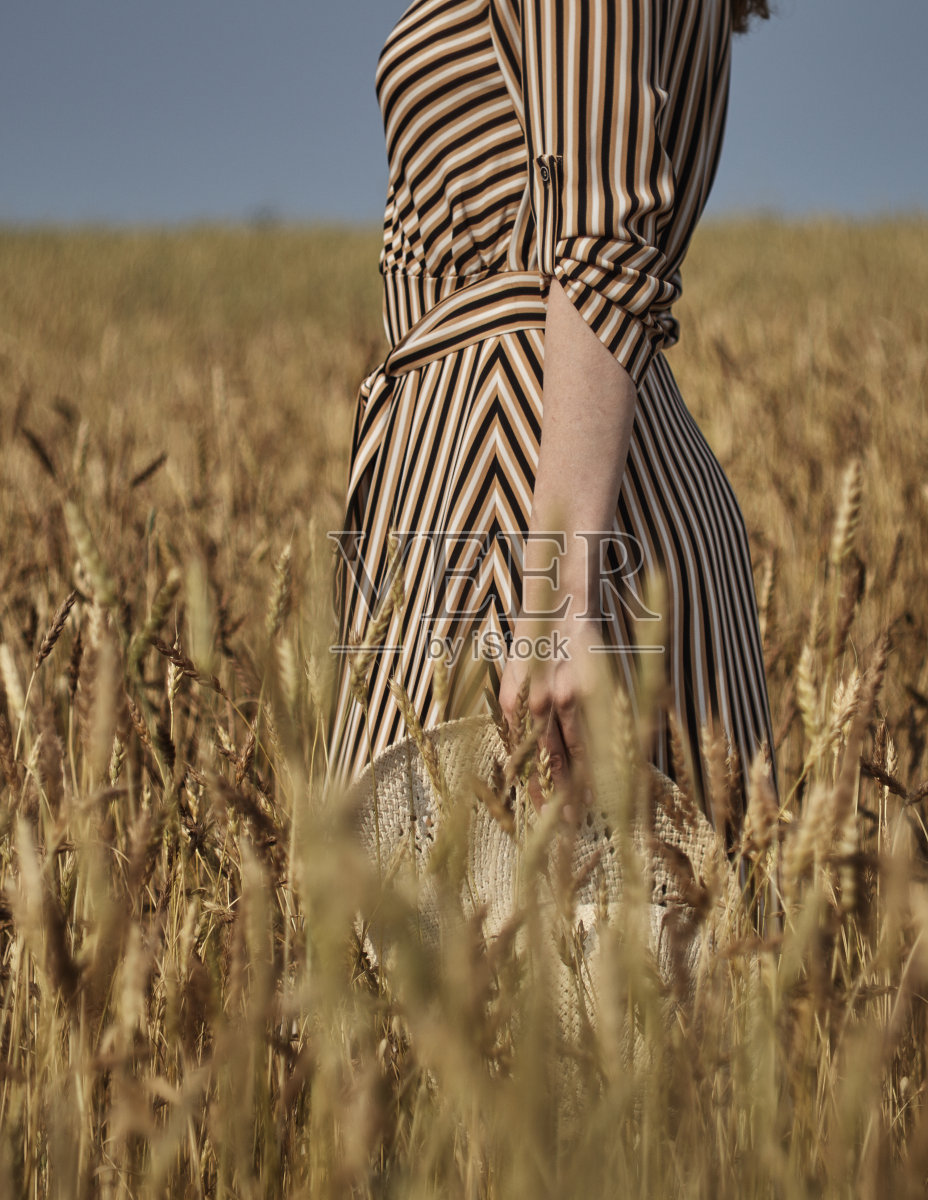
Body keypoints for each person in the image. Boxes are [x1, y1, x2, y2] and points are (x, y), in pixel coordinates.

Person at [329, 0, 778, 832]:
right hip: (532, 469)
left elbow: (604, 238)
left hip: (515, 476)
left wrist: (560, 599)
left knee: (483, 938)